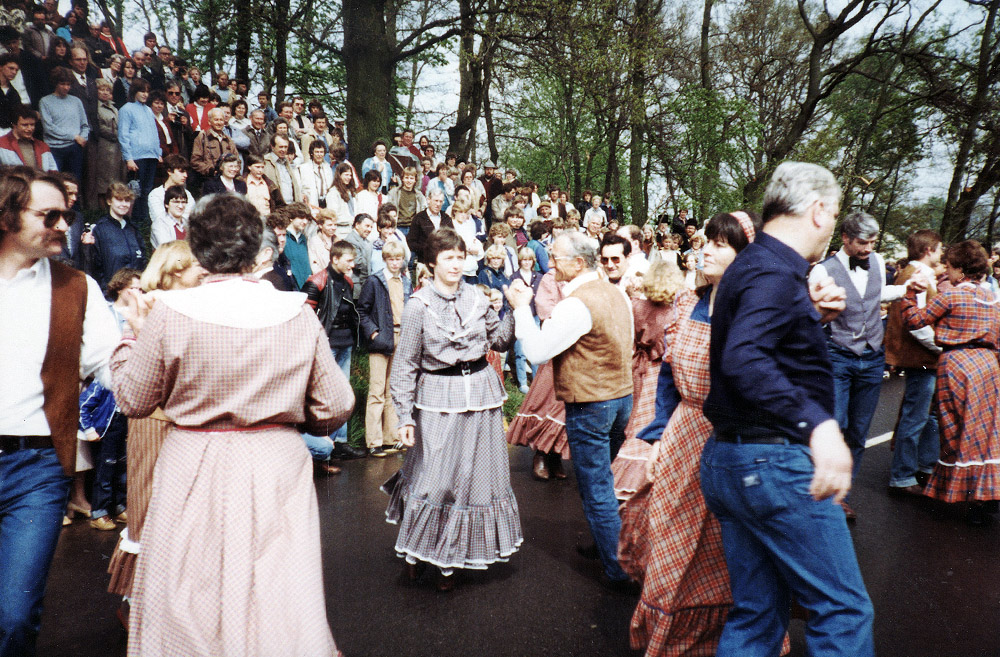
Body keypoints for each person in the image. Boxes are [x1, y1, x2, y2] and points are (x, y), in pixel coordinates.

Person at [109, 194, 353, 655]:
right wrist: (291, 410)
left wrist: (130, 337)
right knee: (276, 588)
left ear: (198, 249)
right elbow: (336, 405)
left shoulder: (170, 314)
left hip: (194, 460)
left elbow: (133, 399)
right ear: (255, 248)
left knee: (191, 588)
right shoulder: (295, 312)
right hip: (275, 461)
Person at [700, 161, 874, 657]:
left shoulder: (753, 266)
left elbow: (758, 344)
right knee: (843, 612)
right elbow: (744, 356)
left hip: (730, 462)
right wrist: (818, 426)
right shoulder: (775, 272)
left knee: (756, 614)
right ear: (818, 210)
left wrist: (812, 316)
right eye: (835, 213)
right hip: (772, 464)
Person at [615, 214, 760, 656]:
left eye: (721, 245)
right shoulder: (690, 302)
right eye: (708, 242)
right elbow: (668, 377)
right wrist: (658, 436)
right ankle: (674, 639)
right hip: (683, 430)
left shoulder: (752, 309)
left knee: (718, 544)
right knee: (667, 533)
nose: (708, 250)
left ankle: (721, 639)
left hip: (726, 437)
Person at [0, 167, 118, 653]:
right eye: (49, 215)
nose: (62, 226)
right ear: (7, 215)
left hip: (37, 468)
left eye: (65, 215)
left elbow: (112, 363)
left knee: (14, 615)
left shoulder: (77, 287)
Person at [384, 227, 521, 591]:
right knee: (434, 480)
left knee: (473, 481)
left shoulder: (478, 298)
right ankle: (415, 553)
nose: (456, 264)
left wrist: (515, 309)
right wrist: (403, 416)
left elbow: (499, 340)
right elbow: (405, 365)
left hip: (481, 394)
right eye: (448, 257)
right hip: (435, 398)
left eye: (460, 256)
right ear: (431, 264)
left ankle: (452, 557)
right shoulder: (418, 306)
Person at [506, 230, 635, 590]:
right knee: (605, 482)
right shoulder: (616, 292)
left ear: (578, 262)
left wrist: (520, 307)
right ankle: (607, 545)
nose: (551, 264)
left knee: (596, 487)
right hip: (620, 399)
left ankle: (618, 570)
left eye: (557, 258)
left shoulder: (576, 303)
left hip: (591, 404)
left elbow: (536, 352)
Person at [809, 211, 906, 519]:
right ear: (845, 239)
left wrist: (906, 290)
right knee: (833, 427)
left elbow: (874, 295)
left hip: (872, 356)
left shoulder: (877, 262)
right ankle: (817, 493)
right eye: (862, 243)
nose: (868, 249)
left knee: (859, 431)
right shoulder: (822, 271)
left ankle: (841, 496)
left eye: (873, 242)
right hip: (837, 355)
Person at [902, 240, 1000, 526]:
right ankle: (987, 491)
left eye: (949, 266)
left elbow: (916, 320)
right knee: (986, 430)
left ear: (959, 269)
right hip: (987, 366)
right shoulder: (993, 299)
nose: (947, 271)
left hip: (956, 364)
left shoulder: (952, 297)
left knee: (955, 428)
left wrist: (910, 294)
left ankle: (965, 494)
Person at [884, 229, 943, 496]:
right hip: (922, 357)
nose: (941, 254)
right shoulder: (918, 276)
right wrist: (941, 347)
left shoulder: (918, 273)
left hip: (924, 357)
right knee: (917, 416)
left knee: (928, 415)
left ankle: (925, 467)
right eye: (940, 249)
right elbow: (917, 324)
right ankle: (903, 476)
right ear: (929, 250)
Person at [302, 240, 367, 461]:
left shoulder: (347, 281)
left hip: (345, 343)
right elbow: (306, 317)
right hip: (326, 345)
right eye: (349, 260)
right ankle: (322, 445)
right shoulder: (316, 281)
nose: (352, 265)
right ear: (335, 259)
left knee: (343, 393)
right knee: (324, 395)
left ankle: (339, 442)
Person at [358, 239, 411, 457]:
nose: (395, 263)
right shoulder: (375, 281)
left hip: (402, 336)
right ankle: (374, 441)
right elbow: (361, 310)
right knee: (377, 390)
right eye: (391, 259)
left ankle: (391, 437)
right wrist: (374, 333)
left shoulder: (406, 281)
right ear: (385, 259)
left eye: (398, 259)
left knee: (392, 390)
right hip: (382, 338)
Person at [116, 78, 160, 235]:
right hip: (136, 156)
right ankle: (133, 221)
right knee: (136, 190)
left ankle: (144, 220)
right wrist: (129, 158)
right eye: (142, 91)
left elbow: (153, 132)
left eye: (147, 91)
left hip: (151, 155)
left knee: (147, 189)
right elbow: (123, 135)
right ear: (134, 91)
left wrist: (158, 152)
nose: (145, 94)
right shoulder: (126, 109)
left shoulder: (148, 110)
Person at [89, 182, 148, 294]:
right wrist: (105, 292)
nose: (124, 204)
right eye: (119, 200)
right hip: (111, 293)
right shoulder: (100, 229)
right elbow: (95, 266)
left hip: (135, 291)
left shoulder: (133, 229)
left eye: (127, 200)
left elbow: (142, 260)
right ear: (109, 201)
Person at [39, 66, 88, 182]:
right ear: (56, 83)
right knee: (56, 182)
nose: (66, 87)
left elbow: (85, 125)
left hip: (75, 148)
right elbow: (49, 128)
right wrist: (74, 136)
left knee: (75, 182)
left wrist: (83, 138)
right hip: (55, 149)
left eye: (68, 84)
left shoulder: (76, 101)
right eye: (62, 84)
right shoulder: (45, 101)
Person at [91, 78, 125, 208]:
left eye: (107, 90)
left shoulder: (114, 107)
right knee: (103, 181)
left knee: (114, 180)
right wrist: (118, 134)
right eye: (101, 89)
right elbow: (100, 127)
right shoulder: (95, 107)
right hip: (104, 147)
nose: (105, 92)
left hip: (116, 148)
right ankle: (102, 209)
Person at [148, 154, 193, 247]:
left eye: (186, 172)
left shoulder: (187, 194)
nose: (185, 175)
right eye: (181, 171)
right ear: (169, 171)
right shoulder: (156, 194)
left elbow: (191, 219)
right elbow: (160, 220)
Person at [0, 104, 58, 171]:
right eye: (25, 125)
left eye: (32, 125)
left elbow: (53, 171)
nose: (30, 128)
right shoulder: (2, 144)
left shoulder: (43, 146)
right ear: (14, 125)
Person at [406, 188, 452, 264]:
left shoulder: (446, 218)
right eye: (436, 201)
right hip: (424, 262)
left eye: (440, 201)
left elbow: (452, 238)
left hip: (444, 263)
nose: (438, 204)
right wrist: (427, 249)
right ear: (428, 200)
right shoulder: (419, 218)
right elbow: (411, 242)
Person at [387, 165, 426, 232]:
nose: (409, 181)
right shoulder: (394, 193)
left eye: (411, 178)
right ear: (402, 178)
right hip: (398, 226)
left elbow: (423, 210)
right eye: (406, 178)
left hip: (413, 227)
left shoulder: (419, 195)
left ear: (415, 180)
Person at [345, 212, 375, 297]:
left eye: (371, 227)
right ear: (357, 225)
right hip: (357, 286)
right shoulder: (351, 240)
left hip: (364, 283)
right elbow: (358, 262)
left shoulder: (366, 240)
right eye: (367, 226)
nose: (369, 229)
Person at [299, 139, 334, 212]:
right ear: (312, 153)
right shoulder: (304, 168)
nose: (319, 155)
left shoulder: (328, 168)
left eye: (321, 152)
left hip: (327, 203)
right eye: (317, 152)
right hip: (312, 203)